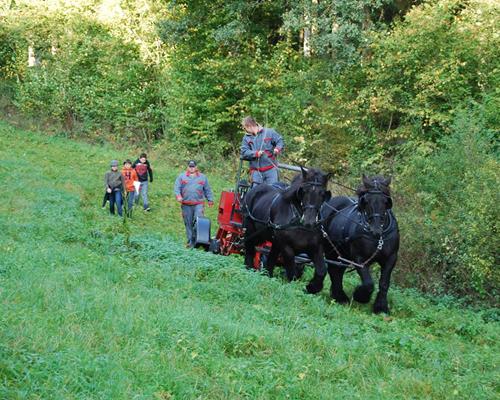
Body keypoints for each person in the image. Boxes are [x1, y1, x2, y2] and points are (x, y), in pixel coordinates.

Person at [174, 160, 214, 248]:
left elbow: (207, 189)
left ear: (196, 167)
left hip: (198, 203)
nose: (192, 168)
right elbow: (177, 188)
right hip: (186, 204)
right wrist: (178, 196)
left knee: (198, 221)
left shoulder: (203, 177)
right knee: (188, 223)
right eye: (190, 166)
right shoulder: (181, 177)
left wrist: (210, 199)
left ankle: (198, 240)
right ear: (187, 167)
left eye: (193, 166)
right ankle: (190, 241)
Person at [240, 116, 284, 186]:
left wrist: (277, 149)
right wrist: (255, 153)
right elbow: (244, 152)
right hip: (256, 172)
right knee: (256, 193)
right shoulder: (246, 138)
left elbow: (280, 141)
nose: (245, 130)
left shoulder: (269, 132)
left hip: (271, 171)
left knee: (272, 192)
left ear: (249, 126)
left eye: (245, 128)